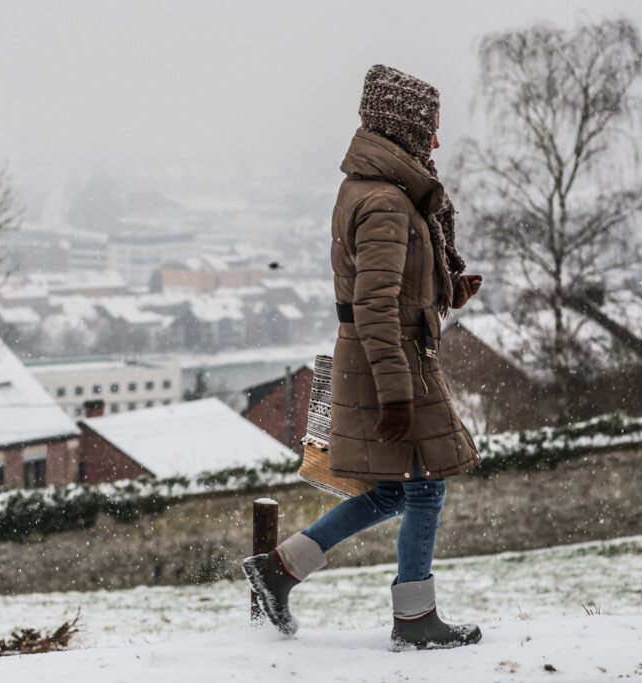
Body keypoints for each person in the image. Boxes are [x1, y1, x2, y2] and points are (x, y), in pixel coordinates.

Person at [243, 64, 485, 651]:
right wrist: (398, 395)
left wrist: (448, 290)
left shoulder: (381, 191)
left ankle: (281, 570)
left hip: (388, 354)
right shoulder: (384, 201)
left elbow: (388, 287)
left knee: (393, 491)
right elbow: (374, 305)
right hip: (392, 359)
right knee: (424, 487)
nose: (434, 140)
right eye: (429, 127)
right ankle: (414, 618)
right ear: (402, 125)